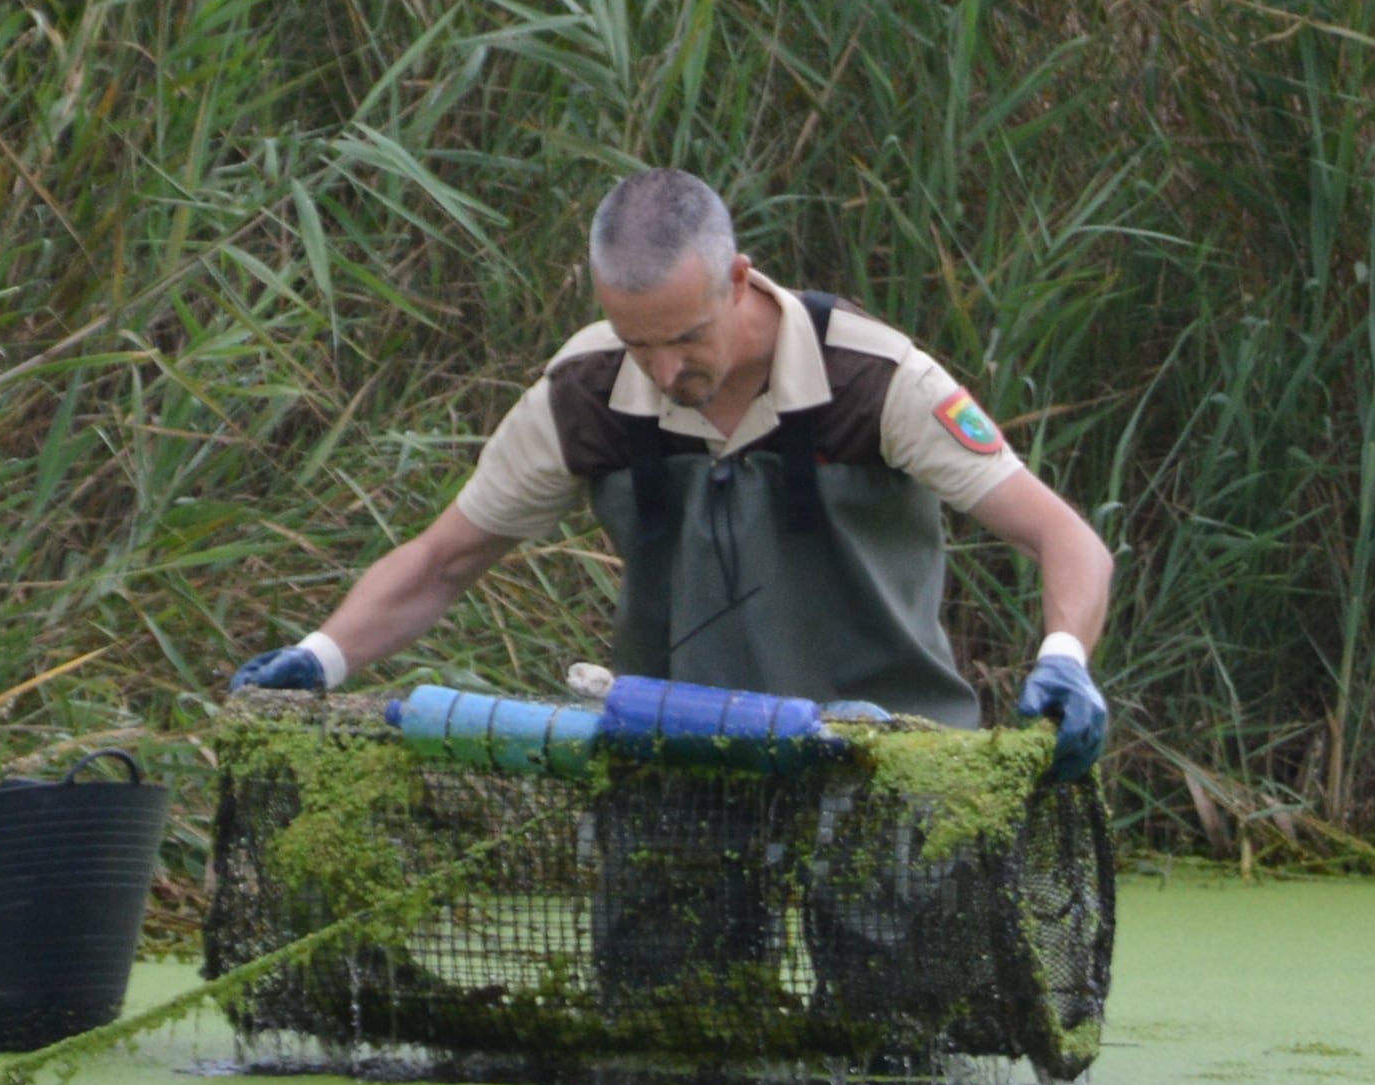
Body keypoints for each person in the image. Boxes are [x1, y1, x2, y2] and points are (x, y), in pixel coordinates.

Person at [235, 169, 1114, 768]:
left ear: (737, 280)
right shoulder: (583, 394)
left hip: (888, 762)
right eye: (636, 342)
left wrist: (1065, 658)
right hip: (676, 759)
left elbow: (1065, 539)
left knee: (900, 1032)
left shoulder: (876, 380)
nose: (663, 372)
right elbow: (442, 561)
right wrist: (321, 658)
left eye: (687, 338)